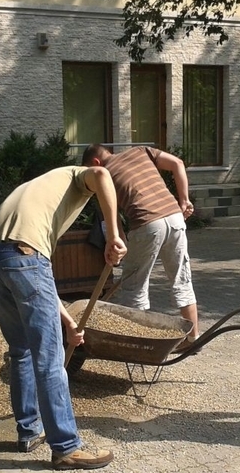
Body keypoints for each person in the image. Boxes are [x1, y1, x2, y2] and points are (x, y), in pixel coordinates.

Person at [0, 166, 127, 470]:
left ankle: (29, 431)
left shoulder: (41, 189)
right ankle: (66, 447)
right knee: (49, 356)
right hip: (24, 255)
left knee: (21, 351)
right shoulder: (78, 176)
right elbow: (101, 174)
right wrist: (113, 236)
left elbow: (34, 278)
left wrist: (69, 322)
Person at [81, 144, 200, 348]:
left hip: (146, 223)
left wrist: (118, 244)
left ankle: (138, 344)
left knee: (134, 287)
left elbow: (112, 217)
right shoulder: (141, 151)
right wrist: (184, 200)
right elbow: (178, 164)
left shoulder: (103, 174)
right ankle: (193, 339)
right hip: (175, 217)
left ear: (95, 163)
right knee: (182, 279)